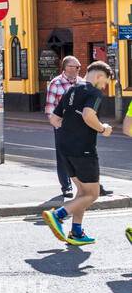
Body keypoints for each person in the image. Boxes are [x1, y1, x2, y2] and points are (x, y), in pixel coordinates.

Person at [42, 61, 113, 246]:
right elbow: (88, 115)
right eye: (105, 82)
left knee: (82, 192)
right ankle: (58, 215)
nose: (104, 86)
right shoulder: (94, 92)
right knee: (93, 194)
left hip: (64, 147)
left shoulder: (71, 90)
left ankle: (76, 232)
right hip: (84, 149)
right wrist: (102, 129)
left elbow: (55, 119)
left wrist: (70, 130)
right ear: (98, 76)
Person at [44, 55, 84, 199]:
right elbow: (49, 108)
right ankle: (66, 187)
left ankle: (85, 184)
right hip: (62, 126)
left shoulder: (82, 83)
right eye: (76, 67)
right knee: (63, 157)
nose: (79, 69)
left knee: (81, 156)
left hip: (80, 127)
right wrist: (58, 126)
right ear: (67, 68)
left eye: (79, 67)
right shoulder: (56, 83)